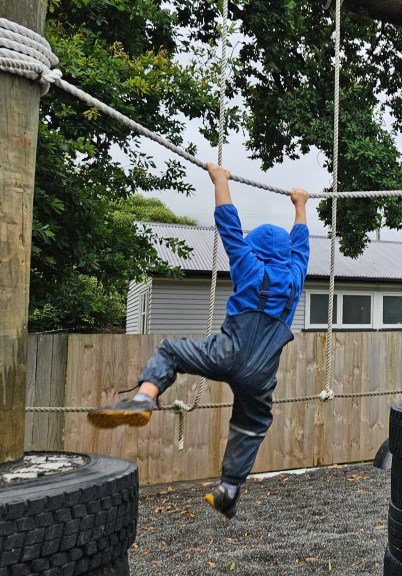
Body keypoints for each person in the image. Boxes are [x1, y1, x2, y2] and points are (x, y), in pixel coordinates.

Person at [88, 163, 311, 519]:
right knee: (252, 424)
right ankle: (229, 490)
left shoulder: (248, 265)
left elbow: (229, 226)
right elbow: (301, 247)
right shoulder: (295, 277)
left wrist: (220, 181)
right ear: (286, 256)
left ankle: (144, 398)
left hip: (227, 352)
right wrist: (301, 205)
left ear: (253, 249)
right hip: (262, 373)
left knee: (170, 351)